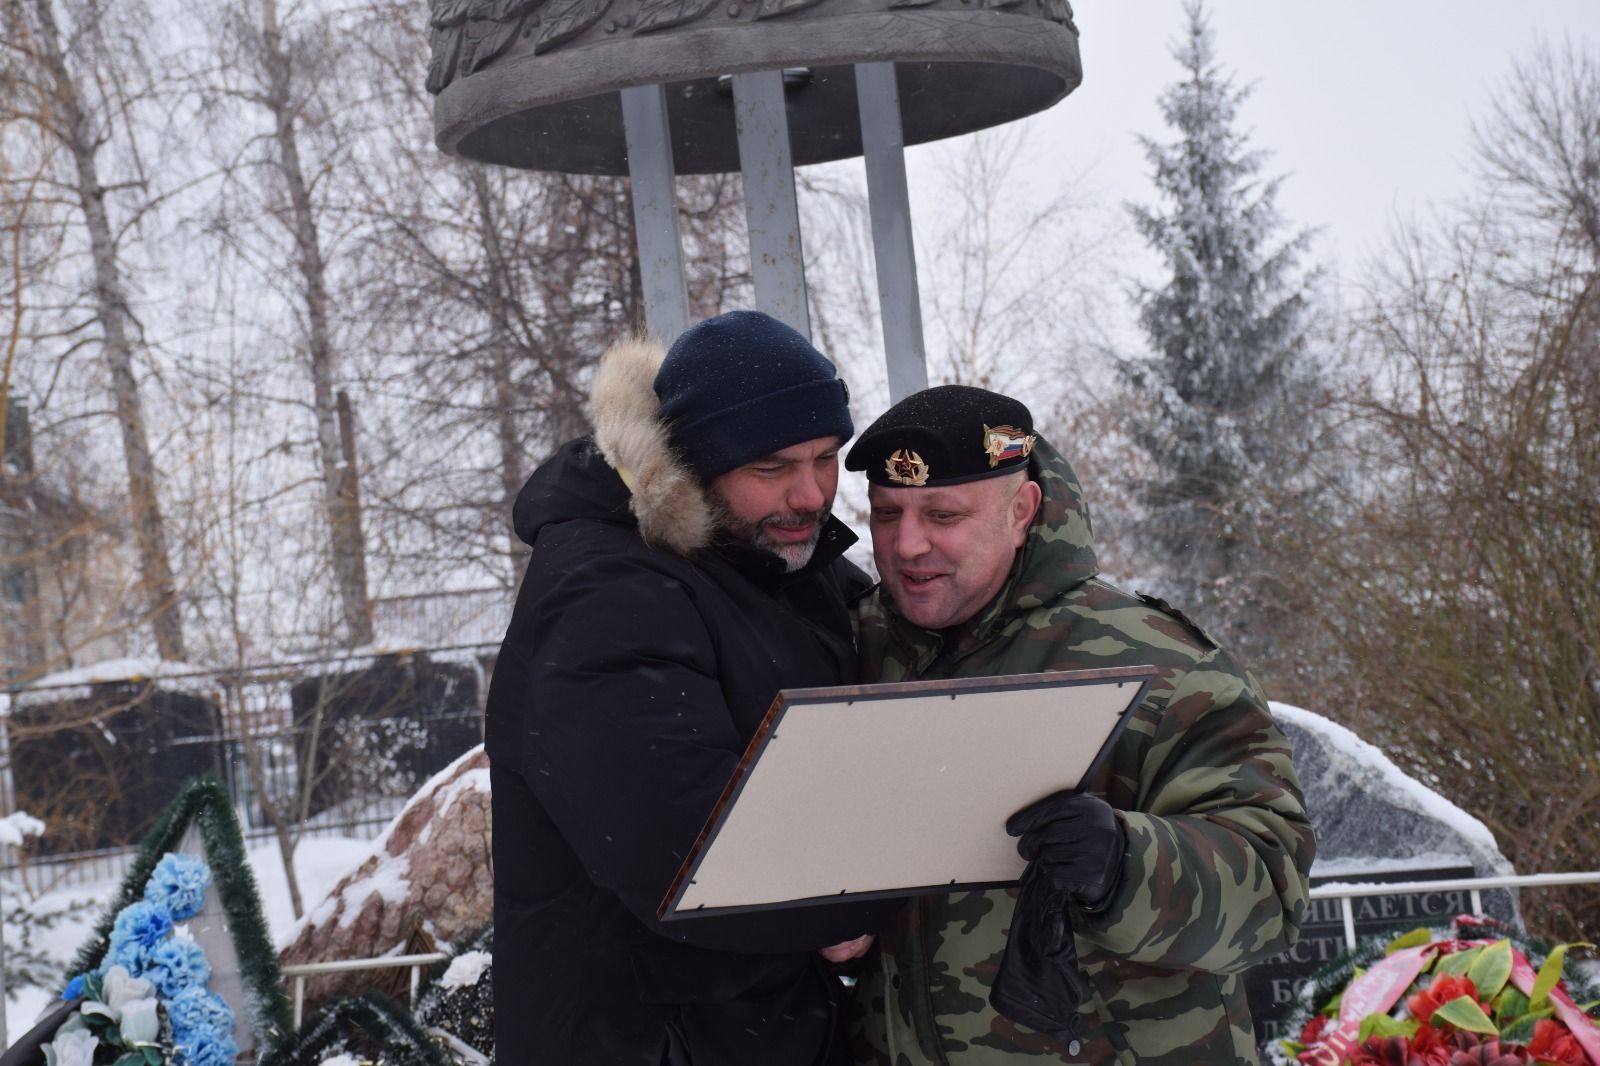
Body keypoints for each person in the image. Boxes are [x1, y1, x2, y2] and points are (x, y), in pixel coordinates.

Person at [843, 384, 1316, 1065]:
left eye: (943, 514)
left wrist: (1126, 862)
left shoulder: (1161, 662)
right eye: (886, 514)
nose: (907, 543)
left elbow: (1273, 890)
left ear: (1021, 510)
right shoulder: (850, 649)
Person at [485, 310, 890, 1066]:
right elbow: (685, 845)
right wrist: (862, 899)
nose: (811, 493)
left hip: (749, 1025)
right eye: (772, 467)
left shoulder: (775, 559)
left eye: (827, 458)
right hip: (643, 1037)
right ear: (693, 465)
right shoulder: (604, 591)